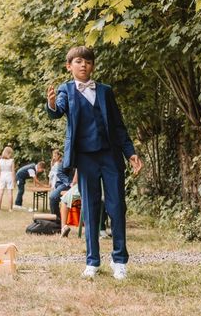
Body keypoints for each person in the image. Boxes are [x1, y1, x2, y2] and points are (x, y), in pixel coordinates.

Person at [46, 46, 143, 280]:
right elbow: (57, 111)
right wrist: (50, 104)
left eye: (88, 62)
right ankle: (93, 262)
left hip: (110, 156)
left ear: (93, 66)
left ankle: (119, 260)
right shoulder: (65, 90)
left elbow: (118, 125)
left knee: (116, 206)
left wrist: (130, 153)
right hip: (85, 159)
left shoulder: (105, 91)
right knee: (89, 209)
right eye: (78, 61)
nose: (83, 65)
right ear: (69, 66)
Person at [0, 146, 16, 211]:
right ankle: (10, 209)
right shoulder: (11, 161)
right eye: (10, 154)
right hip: (9, 176)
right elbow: (13, 171)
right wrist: (13, 180)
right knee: (10, 193)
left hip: (2, 176)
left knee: (0, 192)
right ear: (9, 153)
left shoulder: (0, 160)